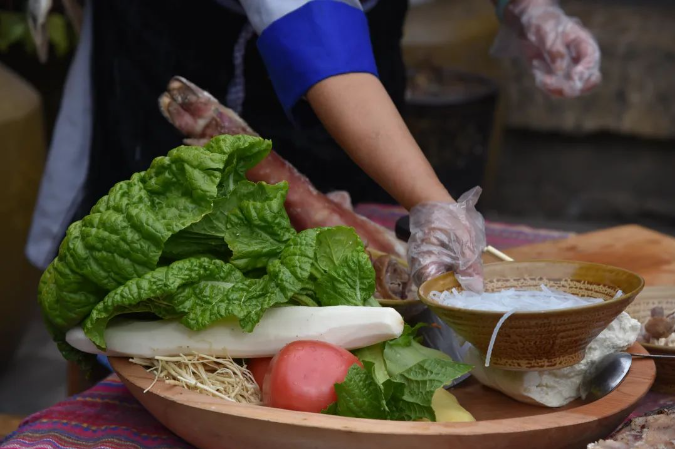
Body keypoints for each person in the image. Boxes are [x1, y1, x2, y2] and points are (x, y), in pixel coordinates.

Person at [27, 0, 601, 303]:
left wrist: (528, 5)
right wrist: (435, 204)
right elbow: (318, 38)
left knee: (351, 265)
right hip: (194, 42)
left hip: (360, 45)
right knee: (152, 274)